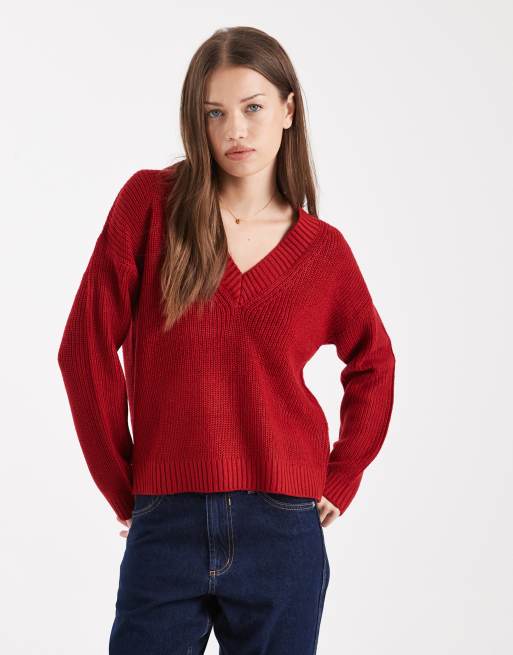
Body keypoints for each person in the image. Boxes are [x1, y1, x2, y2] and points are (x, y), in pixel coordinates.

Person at [57, 25, 396, 655]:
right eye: (215, 113)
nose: (235, 130)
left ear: (288, 110)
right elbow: (84, 348)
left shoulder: (323, 253)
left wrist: (344, 473)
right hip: (167, 521)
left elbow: (373, 361)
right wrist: (121, 483)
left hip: (282, 528)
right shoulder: (149, 205)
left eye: (252, 107)